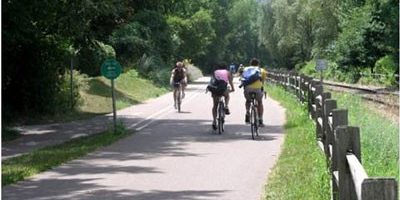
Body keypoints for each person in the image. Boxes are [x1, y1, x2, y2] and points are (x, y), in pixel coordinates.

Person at [241, 58, 267, 126]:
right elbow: (263, 81)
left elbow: (242, 78)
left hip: (248, 89)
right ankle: (260, 119)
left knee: (248, 100)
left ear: (250, 64)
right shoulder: (261, 70)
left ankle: (247, 112)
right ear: (258, 64)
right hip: (257, 89)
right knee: (260, 102)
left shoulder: (245, 69)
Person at [210, 63, 235, 130]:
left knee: (215, 105)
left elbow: (211, 81)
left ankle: (214, 121)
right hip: (223, 89)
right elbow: (230, 82)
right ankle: (226, 105)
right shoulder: (227, 72)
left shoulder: (215, 72)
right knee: (227, 96)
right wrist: (233, 89)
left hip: (215, 89)